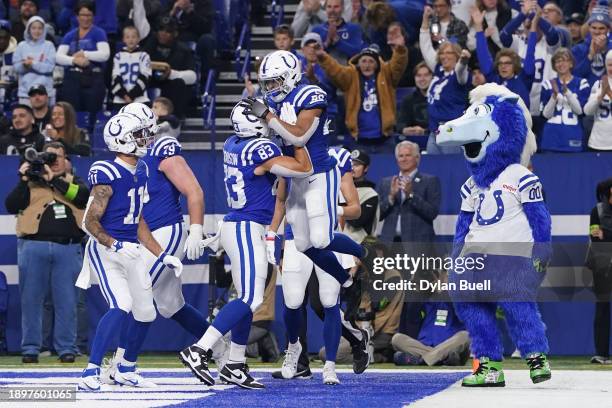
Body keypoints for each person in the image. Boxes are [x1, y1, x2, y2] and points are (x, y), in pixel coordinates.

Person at [179, 102, 313, 390]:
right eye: (263, 121)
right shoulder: (259, 150)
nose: (269, 124)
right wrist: (294, 137)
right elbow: (303, 169)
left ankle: (235, 363)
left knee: (244, 300)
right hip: (246, 226)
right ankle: (199, 349)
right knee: (251, 298)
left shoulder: (232, 142)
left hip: (238, 224)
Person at [101, 102, 223, 384]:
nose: (142, 136)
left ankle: (123, 363)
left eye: (143, 131)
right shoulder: (129, 160)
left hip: (166, 232)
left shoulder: (162, 147)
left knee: (135, 295)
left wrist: (195, 229)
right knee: (169, 305)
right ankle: (219, 348)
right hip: (145, 236)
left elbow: (193, 190)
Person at [76, 112, 183, 391]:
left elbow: (138, 220)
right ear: (122, 140)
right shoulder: (106, 172)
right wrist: (115, 244)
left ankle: (126, 369)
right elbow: (88, 221)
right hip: (105, 249)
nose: (145, 139)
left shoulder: (143, 169)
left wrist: (161, 254)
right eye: (138, 135)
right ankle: (91, 371)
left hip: (132, 249)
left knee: (146, 312)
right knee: (121, 304)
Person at [243, 50, 365, 288]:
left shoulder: (310, 94)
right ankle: (347, 282)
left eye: (275, 81)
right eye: (266, 83)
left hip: (320, 174)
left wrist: (268, 116)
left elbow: (299, 137)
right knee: (303, 244)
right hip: (296, 178)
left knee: (321, 239)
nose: (270, 88)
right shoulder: (272, 101)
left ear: (290, 76)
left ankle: (363, 252)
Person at [270, 146, 367, 384]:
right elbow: (282, 201)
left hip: (327, 236)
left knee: (327, 301)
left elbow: (354, 209)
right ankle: (294, 353)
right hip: (296, 238)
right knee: (292, 301)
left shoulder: (335, 158)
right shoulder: (288, 156)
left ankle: (330, 366)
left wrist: (324, 211)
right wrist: (273, 234)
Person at [5, 141, 89, 363]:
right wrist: (23, 179)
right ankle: (31, 349)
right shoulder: (30, 184)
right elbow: (12, 205)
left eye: (58, 157)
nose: (54, 161)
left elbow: (82, 198)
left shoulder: (75, 182)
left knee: (67, 301)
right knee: (31, 301)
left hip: (68, 248)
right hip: (33, 246)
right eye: (49, 157)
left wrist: (53, 179)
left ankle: (67, 349)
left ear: (66, 160)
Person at [316, 29, 408, 153]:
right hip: (358, 141)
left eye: (371, 61)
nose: (367, 65)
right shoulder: (350, 76)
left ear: (377, 64)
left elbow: (398, 65)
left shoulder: (387, 75)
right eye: (364, 61)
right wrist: (323, 57)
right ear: (358, 63)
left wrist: (400, 49)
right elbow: (335, 70)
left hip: (385, 140)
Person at [420, 7, 471, 154]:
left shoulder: (459, 75)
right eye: (442, 53)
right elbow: (425, 46)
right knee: (433, 167)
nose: (444, 56)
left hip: (452, 133)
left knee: (452, 170)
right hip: (434, 132)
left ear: (456, 55)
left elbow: (461, 69)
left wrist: (464, 60)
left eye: (449, 53)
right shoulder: (438, 70)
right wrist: (425, 20)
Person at [473, 5, 536, 108]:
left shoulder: (524, 80)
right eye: (500, 63)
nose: (503, 66)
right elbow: (483, 56)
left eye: (507, 63)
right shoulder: (495, 81)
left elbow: (530, 53)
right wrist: (479, 28)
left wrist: (533, 27)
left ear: (515, 65)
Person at [377, 141, 441, 244]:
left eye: (408, 155)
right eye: (401, 156)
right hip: (389, 243)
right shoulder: (386, 182)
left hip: (418, 243)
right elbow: (377, 215)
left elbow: (432, 213)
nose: (404, 159)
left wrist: (411, 195)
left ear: (417, 158)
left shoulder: (430, 181)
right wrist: (391, 197)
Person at [56, 0, 110, 119]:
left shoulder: (98, 33)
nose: (85, 18)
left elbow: (105, 54)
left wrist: (85, 54)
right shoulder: (70, 35)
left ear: (93, 16)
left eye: (88, 15)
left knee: (93, 116)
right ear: (77, 16)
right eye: (82, 15)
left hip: (93, 81)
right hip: (73, 82)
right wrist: (74, 60)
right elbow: (58, 57)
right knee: (73, 115)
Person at [140, 16, 196, 118]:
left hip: (171, 84)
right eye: (161, 29)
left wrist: (171, 73)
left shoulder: (183, 50)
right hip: (151, 81)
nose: (163, 33)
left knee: (179, 83)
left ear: (175, 33)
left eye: (168, 31)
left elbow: (193, 77)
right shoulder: (150, 46)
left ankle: (174, 119)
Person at [540, 48, 590, 152]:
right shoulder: (548, 84)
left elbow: (580, 111)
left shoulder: (582, 83)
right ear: (554, 65)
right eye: (558, 61)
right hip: (551, 137)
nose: (561, 64)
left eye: (564, 60)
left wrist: (567, 92)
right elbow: (545, 115)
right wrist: (554, 96)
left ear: (571, 64)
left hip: (573, 135)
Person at [586, 178, 612, 364]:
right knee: (602, 308)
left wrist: (607, 234)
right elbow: (596, 237)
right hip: (603, 266)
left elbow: (604, 236)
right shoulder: (597, 211)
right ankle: (601, 354)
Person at [13, 16, 55, 106]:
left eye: (40, 28)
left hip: (45, 92)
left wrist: (33, 64)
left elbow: (50, 68)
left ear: (44, 30)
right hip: (25, 93)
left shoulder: (49, 45)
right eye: (34, 28)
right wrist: (24, 65)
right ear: (28, 29)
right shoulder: (21, 46)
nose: (37, 31)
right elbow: (16, 67)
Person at [571, 0, 612, 86]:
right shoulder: (577, 49)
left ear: (608, 29)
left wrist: (605, 51)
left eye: (601, 28)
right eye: (594, 27)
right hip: (584, 95)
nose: (597, 32)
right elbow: (574, 76)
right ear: (589, 28)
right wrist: (590, 56)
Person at [110, 25, 151, 109]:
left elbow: (145, 77)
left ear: (138, 39)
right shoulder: (118, 56)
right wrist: (124, 95)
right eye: (127, 37)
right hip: (120, 99)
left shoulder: (144, 56)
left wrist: (132, 95)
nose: (131, 39)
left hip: (140, 98)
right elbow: (115, 77)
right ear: (123, 39)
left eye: (133, 37)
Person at [344, 149, 379, 244]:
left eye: (356, 165)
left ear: (366, 168)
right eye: (350, 164)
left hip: (359, 245)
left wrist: (339, 204)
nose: (352, 168)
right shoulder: (338, 188)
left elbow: (357, 221)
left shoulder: (371, 194)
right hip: (337, 243)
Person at [584, 49, 612, 151]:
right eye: (609, 65)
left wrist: (608, 92)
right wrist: (600, 96)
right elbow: (587, 111)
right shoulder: (598, 84)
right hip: (597, 142)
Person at [396, 62, 433, 139]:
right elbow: (401, 123)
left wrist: (425, 131)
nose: (422, 79)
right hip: (414, 140)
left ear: (433, 77)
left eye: (426, 75)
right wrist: (404, 129)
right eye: (419, 76)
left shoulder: (441, 99)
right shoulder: (408, 100)